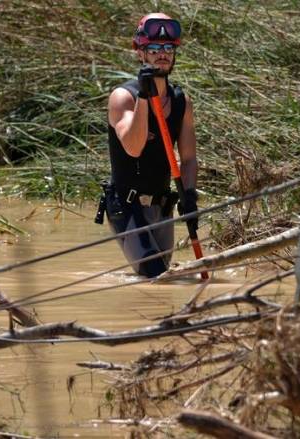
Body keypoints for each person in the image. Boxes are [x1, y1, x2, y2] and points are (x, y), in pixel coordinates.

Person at [101, 12, 199, 277]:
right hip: (128, 206)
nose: (162, 54)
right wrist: (145, 97)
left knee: (163, 278)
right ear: (140, 53)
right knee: (154, 275)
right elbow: (134, 147)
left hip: (162, 205)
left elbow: (188, 158)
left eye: (168, 48)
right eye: (153, 48)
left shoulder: (181, 102)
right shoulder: (123, 97)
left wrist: (189, 197)